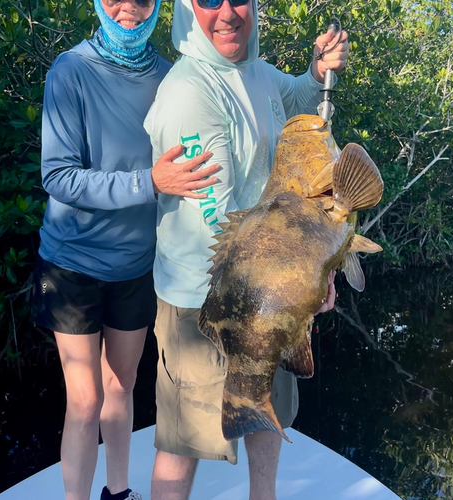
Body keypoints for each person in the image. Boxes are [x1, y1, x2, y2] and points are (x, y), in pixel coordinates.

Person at [143, 1, 349, 499]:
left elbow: (293, 95)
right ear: (187, 10)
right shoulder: (189, 94)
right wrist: (304, 273)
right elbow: (217, 218)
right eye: (209, 0)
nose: (227, 13)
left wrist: (316, 71)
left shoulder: (252, 70)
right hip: (205, 304)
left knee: (265, 413)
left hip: (270, 288)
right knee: (182, 445)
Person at [31, 0, 221, 499]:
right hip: (72, 264)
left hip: (137, 264)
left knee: (122, 386)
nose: (128, 8)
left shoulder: (170, 77)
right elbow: (58, 176)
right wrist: (149, 183)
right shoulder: (70, 71)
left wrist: (310, 79)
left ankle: (118, 493)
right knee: (86, 400)